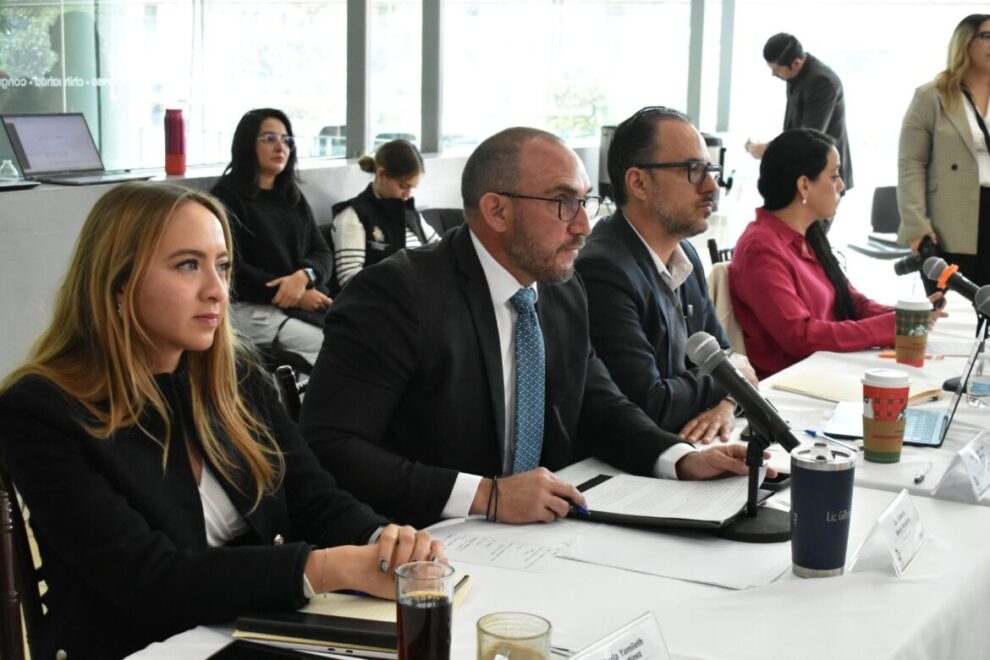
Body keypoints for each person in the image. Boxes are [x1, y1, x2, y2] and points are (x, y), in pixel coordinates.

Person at [0, 183, 443, 660]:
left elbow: (314, 498)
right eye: (188, 265)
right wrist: (327, 568)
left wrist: (385, 543)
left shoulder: (237, 377)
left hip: (255, 630)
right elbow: (150, 580)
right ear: (118, 284)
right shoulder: (41, 410)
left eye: (223, 265)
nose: (217, 290)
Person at [300, 127, 767, 529]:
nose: (584, 226)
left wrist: (681, 459)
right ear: (497, 211)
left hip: (536, 538)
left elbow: (597, 403)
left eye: (586, 202)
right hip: (422, 543)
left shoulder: (561, 288)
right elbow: (330, 445)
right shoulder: (396, 295)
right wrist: (486, 495)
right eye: (564, 203)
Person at [576, 107, 757, 444]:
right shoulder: (602, 269)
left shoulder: (685, 254)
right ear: (638, 183)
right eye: (694, 170)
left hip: (687, 447)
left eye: (710, 170)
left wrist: (727, 404)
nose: (712, 186)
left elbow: (725, 354)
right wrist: (730, 379)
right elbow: (651, 405)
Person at [730, 129, 945, 378]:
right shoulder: (760, 248)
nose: (841, 185)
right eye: (834, 176)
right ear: (804, 185)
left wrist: (907, 315)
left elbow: (852, 302)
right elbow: (801, 336)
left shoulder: (809, 237)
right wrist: (891, 326)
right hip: (793, 382)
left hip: (827, 369)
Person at [212, 108, 333, 369]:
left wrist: (304, 277)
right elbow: (233, 269)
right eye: (269, 138)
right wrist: (294, 295)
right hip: (249, 307)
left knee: (353, 334)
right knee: (328, 346)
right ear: (247, 144)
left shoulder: (291, 196)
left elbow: (322, 251)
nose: (281, 147)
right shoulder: (227, 198)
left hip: (298, 300)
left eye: (287, 140)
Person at [899, 14, 990, 288]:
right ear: (965, 42)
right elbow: (910, 163)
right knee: (952, 302)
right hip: (951, 217)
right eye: (987, 36)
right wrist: (917, 226)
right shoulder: (932, 96)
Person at [745, 33, 854, 194]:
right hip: (805, 170)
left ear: (796, 63)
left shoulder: (821, 82)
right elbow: (793, 128)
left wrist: (769, 149)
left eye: (776, 70)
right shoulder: (794, 75)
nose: (773, 75)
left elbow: (809, 136)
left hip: (824, 173)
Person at [331, 139, 440, 292]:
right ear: (381, 174)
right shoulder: (353, 215)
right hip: (386, 299)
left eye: (413, 188)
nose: (408, 194)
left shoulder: (409, 211)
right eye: (403, 186)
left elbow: (440, 250)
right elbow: (349, 279)